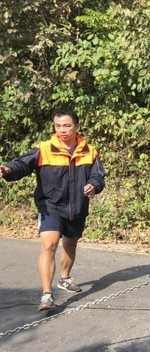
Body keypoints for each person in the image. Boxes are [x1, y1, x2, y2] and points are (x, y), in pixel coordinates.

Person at [0, 108, 105, 312]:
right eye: (58, 126)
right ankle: (47, 294)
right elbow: (23, 164)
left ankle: (64, 278)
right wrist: (9, 170)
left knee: (70, 245)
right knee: (49, 245)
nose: (62, 130)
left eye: (67, 126)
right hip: (50, 206)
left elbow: (98, 176)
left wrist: (94, 185)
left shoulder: (89, 151)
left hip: (77, 206)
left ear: (77, 126)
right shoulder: (44, 149)